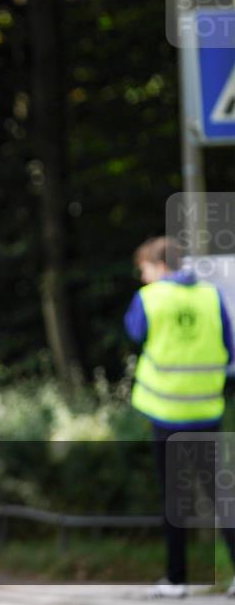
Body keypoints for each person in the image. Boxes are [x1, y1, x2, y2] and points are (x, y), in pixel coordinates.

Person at [125, 236, 234, 598]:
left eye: (144, 270)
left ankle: (176, 580)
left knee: (174, 497)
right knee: (221, 497)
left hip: (167, 413)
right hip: (207, 410)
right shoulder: (211, 296)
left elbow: (134, 332)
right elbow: (229, 348)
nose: (143, 278)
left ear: (158, 266)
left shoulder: (150, 298)